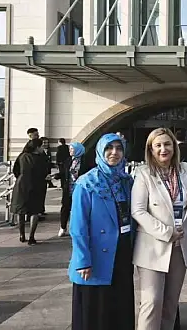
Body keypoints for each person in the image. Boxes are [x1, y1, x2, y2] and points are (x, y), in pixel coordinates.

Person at [132, 127, 187, 330]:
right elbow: (138, 211)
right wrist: (167, 232)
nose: (163, 149)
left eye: (167, 144)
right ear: (150, 149)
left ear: (175, 146)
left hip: (180, 247)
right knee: (152, 302)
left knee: (170, 304)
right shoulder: (143, 173)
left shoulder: (186, 170)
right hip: (153, 246)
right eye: (158, 145)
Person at [68, 133, 135, 330]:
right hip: (95, 256)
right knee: (95, 311)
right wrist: (83, 260)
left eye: (119, 148)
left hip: (122, 253)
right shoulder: (87, 183)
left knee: (119, 308)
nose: (114, 152)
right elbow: (78, 225)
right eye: (109, 148)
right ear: (100, 151)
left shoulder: (126, 181)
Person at [11, 138, 48, 245]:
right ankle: (31, 236)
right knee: (34, 211)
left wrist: (22, 177)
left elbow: (15, 170)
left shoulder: (22, 156)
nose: (43, 148)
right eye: (41, 146)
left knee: (21, 211)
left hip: (21, 185)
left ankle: (21, 234)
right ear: (37, 147)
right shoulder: (41, 158)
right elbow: (45, 172)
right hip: (36, 185)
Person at [59, 142, 85, 237]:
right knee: (65, 207)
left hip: (80, 188)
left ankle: (77, 227)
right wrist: (56, 176)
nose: (70, 150)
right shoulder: (68, 160)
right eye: (70, 148)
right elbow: (64, 172)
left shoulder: (85, 161)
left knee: (78, 208)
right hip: (68, 188)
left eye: (72, 149)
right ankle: (63, 227)